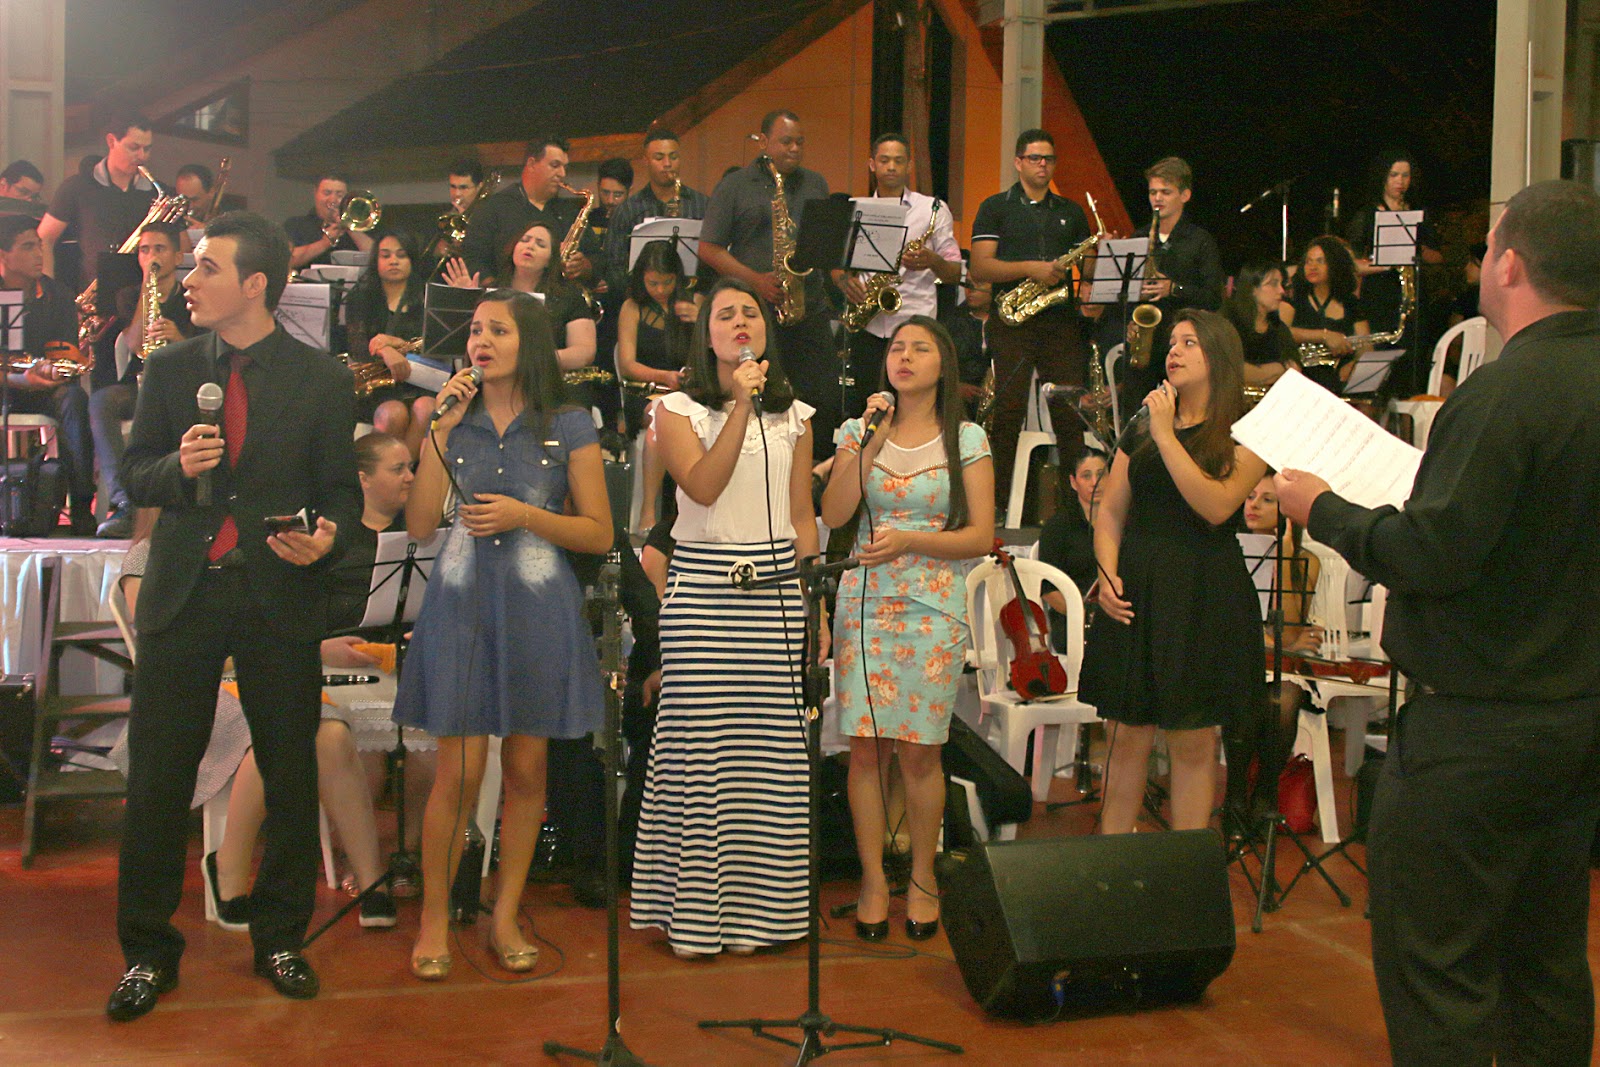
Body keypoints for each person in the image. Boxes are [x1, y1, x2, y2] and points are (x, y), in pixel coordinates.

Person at [1274, 179, 1600, 1067]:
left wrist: (1324, 508)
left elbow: (1433, 553)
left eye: (1487, 247)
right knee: (1545, 961)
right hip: (1575, 717)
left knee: (1438, 971)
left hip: (1480, 725)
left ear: (1512, 265)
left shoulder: (1504, 393)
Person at [106, 211, 359, 1021]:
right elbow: (135, 473)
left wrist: (327, 537)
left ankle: (280, 936)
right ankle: (147, 951)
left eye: (206, 266)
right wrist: (178, 468)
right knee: (157, 780)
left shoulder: (321, 378)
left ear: (255, 283)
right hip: (185, 592)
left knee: (289, 771)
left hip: (275, 592)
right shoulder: (171, 367)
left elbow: (342, 494)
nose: (187, 278)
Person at [395, 291, 612, 981]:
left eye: (499, 330)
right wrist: (436, 428)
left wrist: (525, 515)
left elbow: (599, 532)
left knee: (525, 772)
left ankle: (506, 914)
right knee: (458, 773)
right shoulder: (449, 419)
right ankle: (434, 918)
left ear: (532, 342)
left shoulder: (569, 423)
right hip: (461, 604)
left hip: (539, 607)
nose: (480, 341)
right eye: (476, 330)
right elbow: (421, 524)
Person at [631, 278, 820, 958]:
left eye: (751, 313)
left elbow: (802, 517)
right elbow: (703, 486)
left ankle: (765, 916)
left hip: (776, 591)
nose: (741, 322)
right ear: (705, 335)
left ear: (767, 330)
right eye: (725, 314)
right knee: (706, 757)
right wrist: (740, 403)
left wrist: (812, 602)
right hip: (705, 593)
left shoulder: (797, 416)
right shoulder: (674, 410)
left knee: (770, 761)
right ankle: (697, 919)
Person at [822, 315, 993, 942]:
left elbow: (980, 535)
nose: (905, 356)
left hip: (932, 607)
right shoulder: (858, 429)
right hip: (865, 602)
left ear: (943, 365)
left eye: (921, 348)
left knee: (921, 752)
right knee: (866, 749)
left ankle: (922, 876)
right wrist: (867, 442)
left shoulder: (966, 437)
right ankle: (873, 880)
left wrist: (912, 541)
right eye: (897, 347)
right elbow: (834, 513)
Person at [1080, 309, 1267, 834]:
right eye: (1172, 343)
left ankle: (1188, 868)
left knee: (1192, 738)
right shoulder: (1144, 423)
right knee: (1124, 735)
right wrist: (1108, 575)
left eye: (1190, 343)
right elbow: (1110, 512)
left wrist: (1167, 436)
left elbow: (1217, 506)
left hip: (1202, 589)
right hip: (1136, 585)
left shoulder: (1246, 431)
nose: (1174, 351)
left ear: (1219, 356)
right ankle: (1112, 863)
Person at [698, 109, 837, 459]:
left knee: (822, 397)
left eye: (800, 142)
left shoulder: (815, 184)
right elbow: (709, 248)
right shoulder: (735, 185)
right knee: (769, 393)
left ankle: (815, 471)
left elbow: (823, 244)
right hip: (760, 308)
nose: (795, 149)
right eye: (786, 142)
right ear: (763, 142)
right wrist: (755, 281)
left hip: (808, 306)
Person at [969, 128, 1093, 517]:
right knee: (1007, 413)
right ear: (1018, 162)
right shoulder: (995, 207)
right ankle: (997, 508)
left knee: (1069, 414)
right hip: (1013, 322)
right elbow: (980, 267)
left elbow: (1089, 269)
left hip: (1060, 321)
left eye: (1049, 159)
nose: (1043, 165)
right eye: (1035, 158)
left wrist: (1099, 256)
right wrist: (1031, 269)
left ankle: (1077, 510)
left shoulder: (1072, 211)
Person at [836, 133, 963, 418]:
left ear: (909, 166)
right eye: (884, 160)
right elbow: (835, 262)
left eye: (898, 161)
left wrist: (932, 260)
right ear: (872, 164)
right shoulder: (855, 208)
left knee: (916, 408)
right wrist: (844, 281)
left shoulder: (932, 209)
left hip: (916, 324)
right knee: (867, 407)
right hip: (869, 325)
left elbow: (955, 272)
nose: (891, 167)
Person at [1222, 474, 1322, 833]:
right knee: (1243, 689)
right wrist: (1269, 638)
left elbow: (1290, 632)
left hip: (1279, 663)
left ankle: (1265, 794)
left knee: (1283, 698)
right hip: (1233, 657)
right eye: (1250, 497)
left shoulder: (1304, 559)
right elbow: (1226, 623)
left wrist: (1286, 553)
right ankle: (1235, 796)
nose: (1253, 506)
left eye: (1267, 500)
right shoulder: (1228, 551)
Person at [95, 220, 198, 538]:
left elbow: (206, 353)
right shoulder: (128, 296)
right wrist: (146, 288)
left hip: (182, 387)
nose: (151, 256)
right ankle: (125, 501)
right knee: (101, 401)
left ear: (177, 257)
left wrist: (179, 339)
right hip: (139, 384)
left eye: (159, 249)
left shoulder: (193, 296)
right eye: (144, 250)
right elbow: (133, 344)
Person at [0, 215, 97, 533]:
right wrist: (18, 378)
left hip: (43, 386)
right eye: (28, 247)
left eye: (39, 246)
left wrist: (51, 370)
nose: (38, 254)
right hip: (6, 385)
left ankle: (81, 503)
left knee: (73, 398)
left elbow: (65, 352)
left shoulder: (58, 295)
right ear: (4, 256)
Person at [1117, 157, 1224, 399]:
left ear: (1185, 195)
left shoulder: (1200, 240)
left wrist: (1173, 288)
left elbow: (1213, 297)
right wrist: (1131, 316)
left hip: (1183, 345)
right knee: (1135, 407)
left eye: (1165, 192)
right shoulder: (1139, 237)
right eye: (1153, 192)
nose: (1157, 198)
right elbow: (1122, 293)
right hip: (1145, 344)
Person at [616, 239, 696, 530]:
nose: (661, 290)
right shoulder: (632, 307)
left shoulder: (693, 303)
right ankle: (648, 511)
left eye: (667, 282)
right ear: (641, 278)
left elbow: (712, 352)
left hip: (688, 393)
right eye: (653, 283)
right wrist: (664, 376)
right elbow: (628, 364)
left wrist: (701, 321)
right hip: (647, 392)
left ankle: (687, 511)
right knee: (660, 421)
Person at [444, 219, 596, 370]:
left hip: (544, 376)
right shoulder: (491, 294)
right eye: (524, 240)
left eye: (540, 244)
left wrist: (531, 361)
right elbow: (466, 345)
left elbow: (584, 352)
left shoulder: (567, 296)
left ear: (550, 260)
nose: (530, 246)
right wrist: (467, 301)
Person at [37, 110, 155, 290]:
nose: (142, 156)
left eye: (147, 149)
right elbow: (44, 238)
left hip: (141, 291)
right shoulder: (77, 187)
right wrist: (48, 290)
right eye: (134, 147)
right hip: (92, 292)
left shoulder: (154, 191)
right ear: (111, 141)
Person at [458, 137, 597, 286]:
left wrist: (585, 266)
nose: (562, 173)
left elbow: (598, 258)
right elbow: (473, 257)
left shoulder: (569, 212)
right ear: (531, 164)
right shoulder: (494, 207)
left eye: (565, 167)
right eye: (555, 165)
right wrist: (496, 291)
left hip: (557, 297)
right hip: (504, 296)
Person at [343, 229, 435, 454]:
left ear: (412, 260)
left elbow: (433, 349)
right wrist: (384, 350)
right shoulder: (360, 298)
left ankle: (405, 471)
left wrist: (396, 346)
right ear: (376, 261)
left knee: (427, 407)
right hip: (376, 386)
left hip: (419, 381)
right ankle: (384, 470)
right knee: (393, 413)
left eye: (401, 255)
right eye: (385, 255)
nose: (393, 261)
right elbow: (358, 349)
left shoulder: (427, 298)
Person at [601, 128, 710, 299]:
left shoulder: (703, 204)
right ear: (646, 161)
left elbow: (713, 259)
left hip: (691, 299)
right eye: (659, 158)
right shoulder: (627, 210)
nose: (667, 164)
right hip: (642, 300)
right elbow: (613, 265)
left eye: (673, 157)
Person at [1279, 236, 1369, 394]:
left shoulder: (1351, 303)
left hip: (1340, 381)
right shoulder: (1294, 296)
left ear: (1335, 265)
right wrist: (1324, 335)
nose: (1312, 267)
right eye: (1308, 261)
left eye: (1320, 261)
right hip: (1301, 377)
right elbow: (1280, 332)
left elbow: (1365, 345)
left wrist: (1355, 364)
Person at [1038, 449, 1108, 629]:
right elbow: (1048, 590)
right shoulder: (1058, 527)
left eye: (1101, 475)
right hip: (1074, 620)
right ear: (1073, 482)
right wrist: (1082, 614)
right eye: (1086, 476)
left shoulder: (1126, 522)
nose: (1095, 482)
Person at [1221, 260, 1299, 391]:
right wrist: (1274, 370)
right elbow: (1226, 368)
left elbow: (1294, 371)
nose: (1281, 291)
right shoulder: (1228, 322)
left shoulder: (1278, 328)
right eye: (1273, 284)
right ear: (1253, 289)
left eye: (1281, 284)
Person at [941, 275, 994, 419]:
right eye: (968, 284)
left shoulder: (1006, 322)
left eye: (979, 283)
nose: (970, 290)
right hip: (957, 408)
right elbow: (935, 368)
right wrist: (955, 387)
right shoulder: (949, 322)